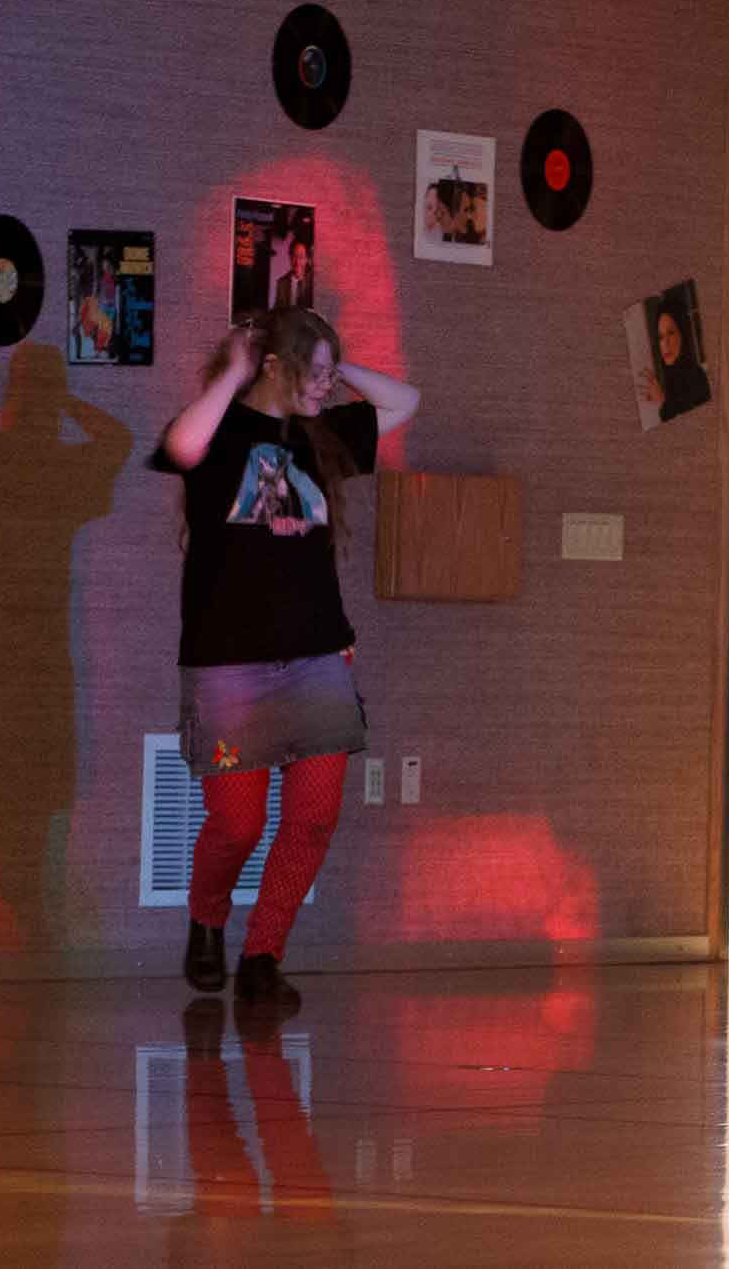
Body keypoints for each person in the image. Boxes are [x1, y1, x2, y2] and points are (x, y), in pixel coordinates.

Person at [154, 307, 420, 1005]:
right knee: (237, 823)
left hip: (319, 657)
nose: (328, 388)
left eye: (332, 377)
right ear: (275, 366)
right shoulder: (218, 432)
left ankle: (263, 957)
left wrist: (338, 359)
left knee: (312, 818)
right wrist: (237, 368)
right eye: (316, 373)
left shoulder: (323, 435)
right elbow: (180, 447)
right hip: (229, 663)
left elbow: (405, 402)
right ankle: (206, 920)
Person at [639, 296, 711, 422]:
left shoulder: (697, 379)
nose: (665, 343)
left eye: (671, 333)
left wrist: (663, 403)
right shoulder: (668, 381)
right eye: (660, 337)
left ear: (683, 334)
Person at [273, 239, 313, 309]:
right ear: (290, 257)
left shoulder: (313, 282)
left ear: (307, 259)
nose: (297, 262)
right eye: (294, 256)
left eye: (301, 257)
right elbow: (277, 311)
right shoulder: (282, 283)